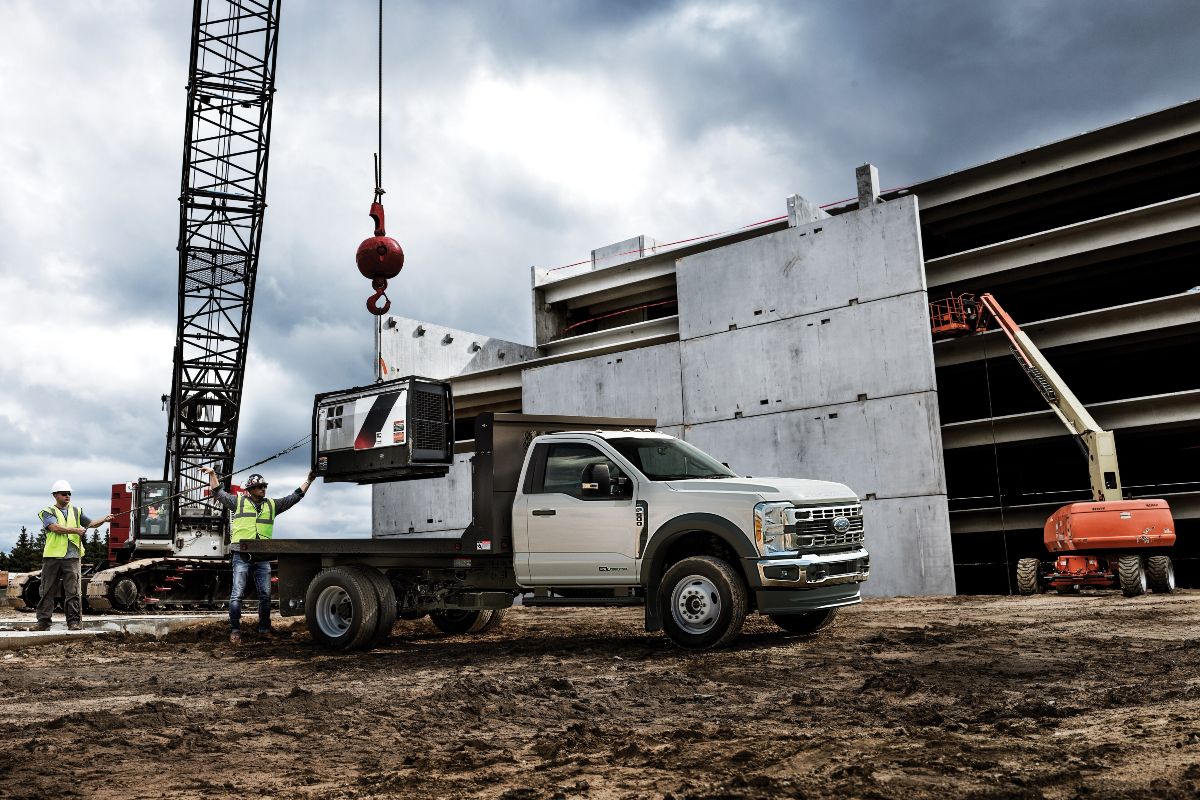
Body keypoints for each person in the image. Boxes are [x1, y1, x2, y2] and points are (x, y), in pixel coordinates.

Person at [202, 466, 315, 644]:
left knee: (265, 596)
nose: (263, 489)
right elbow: (219, 493)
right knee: (237, 594)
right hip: (241, 556)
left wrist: (309, 480)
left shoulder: (272, 505)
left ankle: (264, 629)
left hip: (262, 558)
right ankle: (235, 630)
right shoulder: (237, 502)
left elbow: (294, 497)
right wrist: (212, 474)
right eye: (260, 486)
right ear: (251, 489)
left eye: (264, 486)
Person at [35, 480, 114, 631]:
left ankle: (73, 622)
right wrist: (75, 530)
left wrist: (104, 519)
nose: (68, 496)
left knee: (73, 591)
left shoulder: (76, 511)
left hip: (72, 557)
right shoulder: (48, 512)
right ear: (55, 495)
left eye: (69, 493)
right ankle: (43, 622)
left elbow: (91, 523)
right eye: (64, 494)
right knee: (47, 591)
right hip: (52, 557)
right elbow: (54, 528)